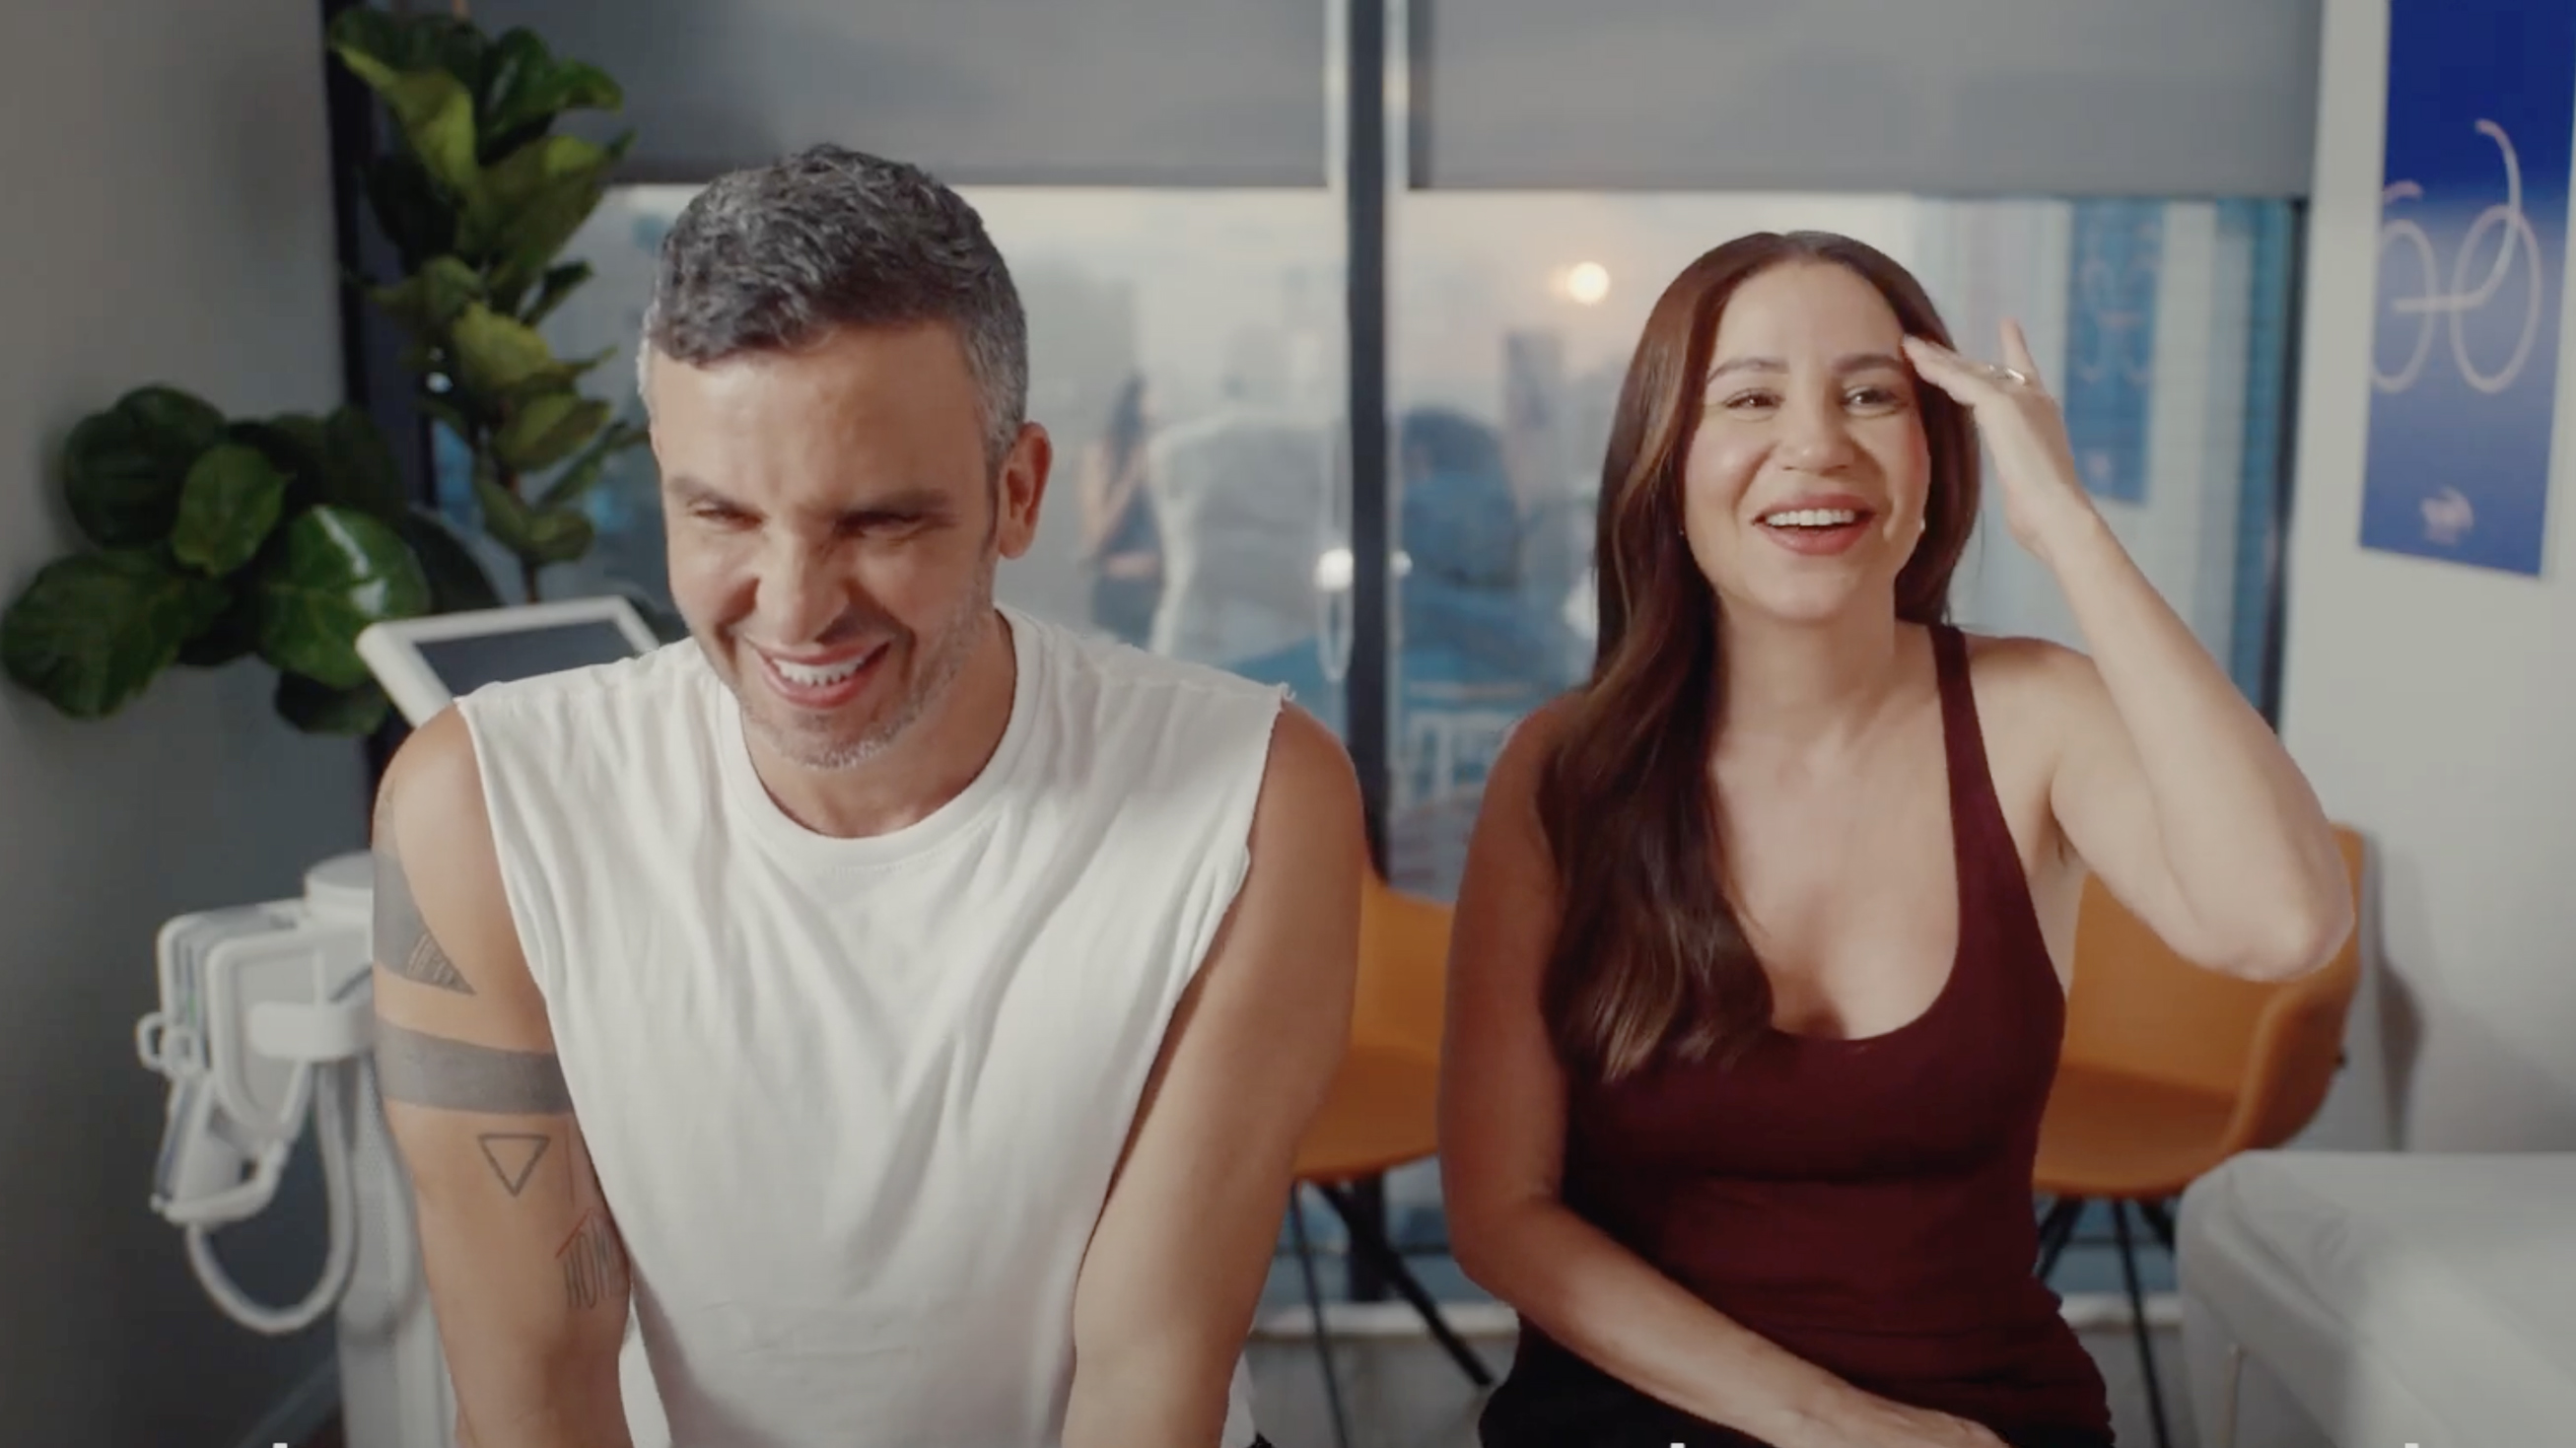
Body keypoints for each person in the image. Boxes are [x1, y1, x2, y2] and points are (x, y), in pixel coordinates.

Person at [365, 145, 1362, 1448]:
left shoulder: (1251, 799)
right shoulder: (480, 811)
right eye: (721, 515)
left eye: (877, 522)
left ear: (1017, 494)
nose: (792, 610)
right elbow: (537, 1388)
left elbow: (1146, 1373)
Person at [1438, 232, 2354, 1448]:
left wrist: (2068, 525)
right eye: (1751, 398)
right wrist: (1839, 1425)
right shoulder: (1565, 769)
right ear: (1666, 461)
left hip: (1983, 1415)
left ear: (1936, 454)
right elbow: (1502, 1212)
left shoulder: (2036, 715)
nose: (1817, 443)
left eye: (1871, 396)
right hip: (1637, 1410)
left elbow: (2282, 923)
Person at [1079, 374, 1165, 648]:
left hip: (1162, 599)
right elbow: (1098, 539)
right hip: (1121, 597)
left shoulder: (1170, 457)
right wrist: (1132, 476)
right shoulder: (1103, 455)